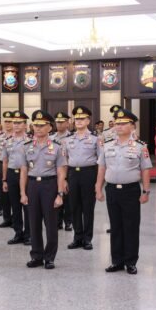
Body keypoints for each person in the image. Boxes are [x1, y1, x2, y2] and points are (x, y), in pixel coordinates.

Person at [96, 108, 152, 275]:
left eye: (123, 123)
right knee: (115, 226)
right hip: (112, 189)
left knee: (131, 226)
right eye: (117, 123)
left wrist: (146, 191)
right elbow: (102, 167)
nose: (119, 126)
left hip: (130, 190)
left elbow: (145, 170)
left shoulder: (140, 147)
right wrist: (98, 187)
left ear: (132, 126)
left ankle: (131, 261)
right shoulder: (107, 145)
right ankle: (117, 261)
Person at [21, 110, 67, 269]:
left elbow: (61, 172)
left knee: (51, 223)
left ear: (50, 127)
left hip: (50, 185)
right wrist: (23, 193)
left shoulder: (58, 147)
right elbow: (24, 171)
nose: (38, 128)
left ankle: (49, 257)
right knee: (33, 223)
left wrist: (60, 194)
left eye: (42, 125)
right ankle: (36, 256)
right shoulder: (26, 147)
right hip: (33, 185)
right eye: (36, 125)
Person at [63, 106, 101, 250]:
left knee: (88, 207)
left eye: (82, 119)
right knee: (74, 206)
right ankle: (77, 237)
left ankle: (87, 239)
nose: (78, 121)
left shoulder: (95, 139)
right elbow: (64, 160)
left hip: (88, 173)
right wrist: (64, 179)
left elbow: (101, 161)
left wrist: (99, 182)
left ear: (88, 121)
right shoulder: (68, 140)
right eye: (76, 119)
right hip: (73, 174)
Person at [2, 110, 31, 245]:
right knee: (15, 205)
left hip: (27, 175)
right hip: (12, 174)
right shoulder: (7, 141)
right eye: (15, 123)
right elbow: (5, 161)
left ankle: (29, 234)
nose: (16, 125)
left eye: (19, 123)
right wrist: (4, 179)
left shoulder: (30, 141)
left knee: (27, 205)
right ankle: (18, 233)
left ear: (25, 125)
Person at [51, 112, 73, 231]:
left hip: (68, 171)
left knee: (67, 197)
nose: (59, 124)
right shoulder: (51, 137)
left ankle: (68, 221)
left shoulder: (71, 137)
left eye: (62, 122)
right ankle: (57, 221)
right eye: (57, 122)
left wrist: (65, 178)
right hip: (53, 171)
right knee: (55, 195)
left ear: (67, 123)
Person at [0, 111, 14, 228]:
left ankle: (16, 218)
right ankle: (6, 218)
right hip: (1, 164)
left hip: (13, 166)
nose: (7, 124)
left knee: (14, 194)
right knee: (3, 193)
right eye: (6, 121)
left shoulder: (18, 137)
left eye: (10, 121)